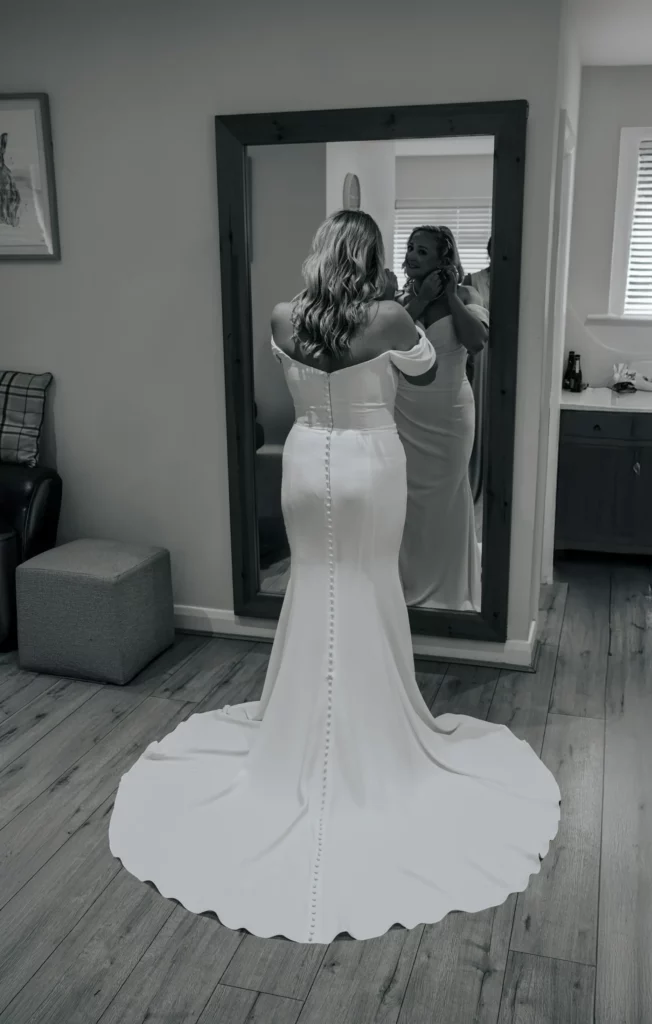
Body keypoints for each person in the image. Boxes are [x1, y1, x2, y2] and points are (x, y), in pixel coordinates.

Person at [109, 210, 560, 945]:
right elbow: (422, 367)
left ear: (319, 253)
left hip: (303, 461)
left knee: (316, 588)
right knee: (368, 586)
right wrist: (392, 305)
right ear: (372, 257)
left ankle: (295, 734)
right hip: (367, 463)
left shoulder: (284, 315)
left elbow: (298, 360)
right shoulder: (385, 317)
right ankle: (369, 733)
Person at [392, 225, 488, 610]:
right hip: (406, 413)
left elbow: (477, 341)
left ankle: (451, 589)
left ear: (444, 260)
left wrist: (448, 298)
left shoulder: (467, 294)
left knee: (448, 497)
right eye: (411, 248)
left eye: (423, 251)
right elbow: (386, 342)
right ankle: (408, 583)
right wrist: (419, 301)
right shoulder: (397, 303)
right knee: (407, 499)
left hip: (450, 414)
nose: (412, 255)